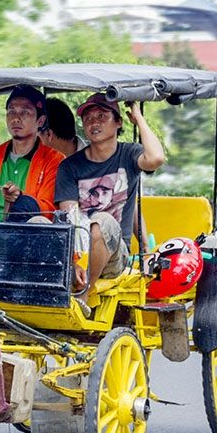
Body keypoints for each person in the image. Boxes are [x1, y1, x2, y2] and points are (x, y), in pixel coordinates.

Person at [54, 94, 165, 291]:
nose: (94, 123)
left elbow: (155, 158)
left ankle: (84, 294)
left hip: (116, 254)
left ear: (118, 122)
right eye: (88, 119)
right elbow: (71, 219)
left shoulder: (129, 154)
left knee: (102, 220)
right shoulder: (69, 166)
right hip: (78, 252)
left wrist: (138, 117)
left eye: (102, 116)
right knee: (37, 224)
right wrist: (77, 260)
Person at [0, 85, 63, 222]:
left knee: (33, 215)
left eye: (25, 112)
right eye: (12, 112)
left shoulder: (54, 161)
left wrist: (20, 198)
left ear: (40, 121)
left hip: (28, 235)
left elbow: (49, 210)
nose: (16, 118)